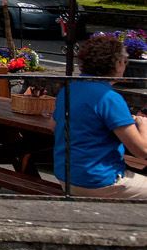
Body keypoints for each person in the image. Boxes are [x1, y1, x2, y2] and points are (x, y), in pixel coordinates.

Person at [54, 33, 147, 199]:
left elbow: (56, 128)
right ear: (117, 63)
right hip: (98, 181)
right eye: (125, 61)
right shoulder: (109, 98)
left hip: (66, 176)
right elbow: (142, 151)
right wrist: (143, 124)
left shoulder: (68, 90)